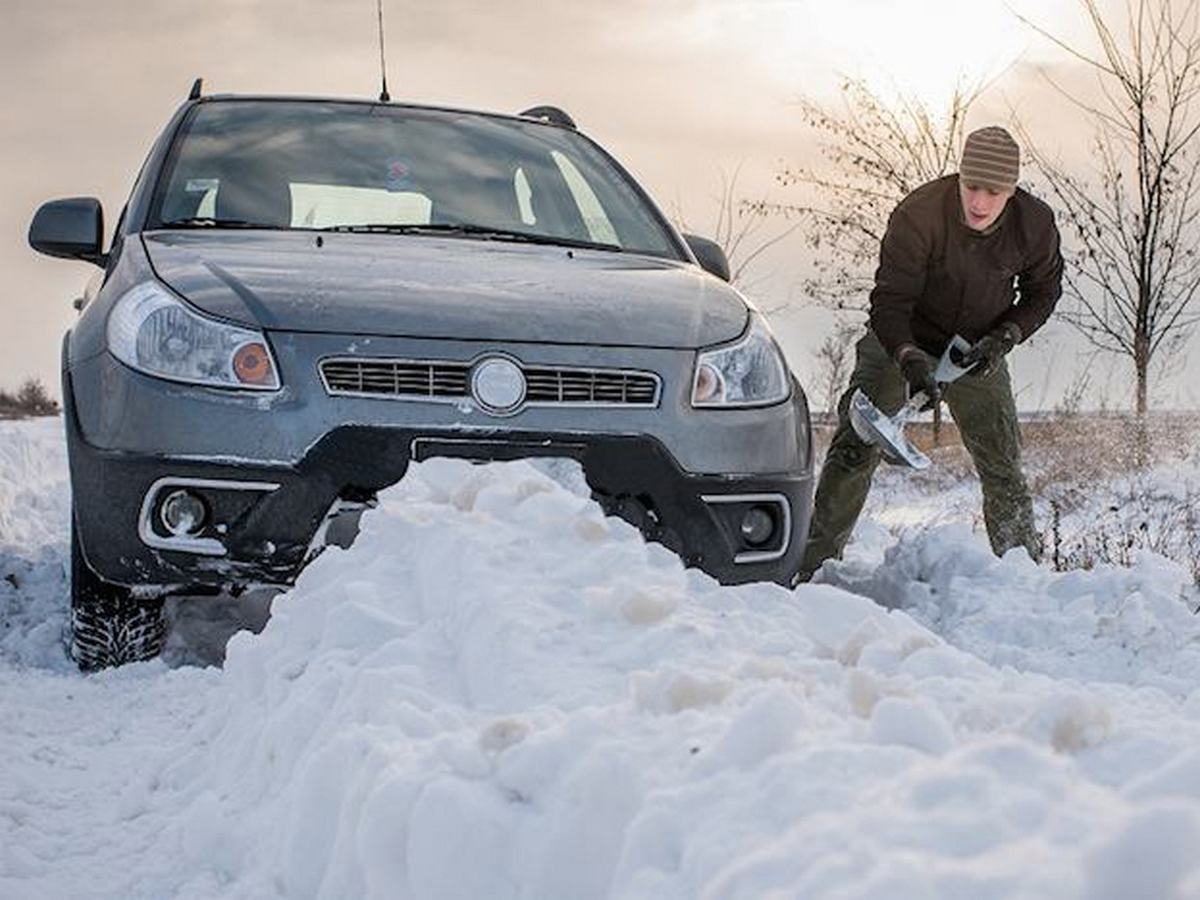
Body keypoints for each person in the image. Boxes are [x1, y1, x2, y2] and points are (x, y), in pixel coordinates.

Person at [797, 125, 1064, 583]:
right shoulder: (919, 214)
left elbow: (1044, 292)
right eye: (971, 187)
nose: (979, 203)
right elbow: (889, 302)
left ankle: (1024, 583)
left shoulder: (1034, 225)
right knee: (855, 447)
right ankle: (810, 570)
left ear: (1012, 190)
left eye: (993, 192)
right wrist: (908, 358)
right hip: (902, 337)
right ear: (959, 177)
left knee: (1004, 464)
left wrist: (1006, 336)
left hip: (978, 348)